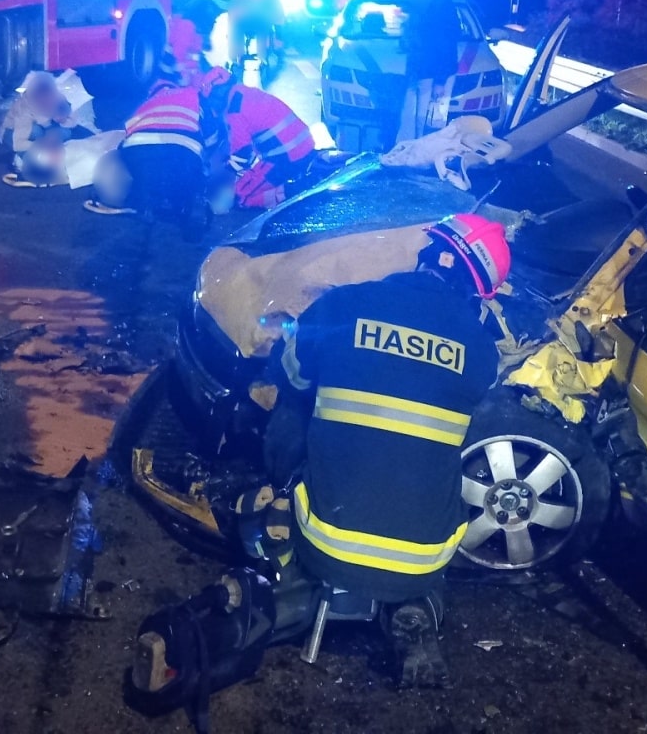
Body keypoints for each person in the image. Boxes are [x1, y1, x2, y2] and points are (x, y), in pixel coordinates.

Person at [129, 215, 511, 716]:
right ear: (479, 292)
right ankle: (417, 604)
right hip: (426, 559)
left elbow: (290, 373)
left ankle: (285, 513)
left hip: (326, 541)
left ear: (428, 253)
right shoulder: (482, 351)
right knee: (430, 452)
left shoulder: (345, 304)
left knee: (295, 407)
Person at [87, 69, 230, 224]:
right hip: (184, 155)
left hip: (138, 153)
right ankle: (189, 201)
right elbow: (211, 138)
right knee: (187, 179)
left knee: (143, 175)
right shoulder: (195, 96)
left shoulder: (148, 102)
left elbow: (127, 135)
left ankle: (142, 201)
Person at [216, 81, 316, 209]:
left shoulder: (234, 111)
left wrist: (226, 172)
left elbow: (243, 153)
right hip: (304, 145)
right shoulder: (246, 92)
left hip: (284, 157)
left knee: (241, 195)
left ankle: (293, 193)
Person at [396, 0, 461, 144]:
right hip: (420, 72)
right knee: (411, 120)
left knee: (428, 123)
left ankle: (424, 155)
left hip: (433, 75)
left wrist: (440, 81)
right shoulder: (423, 6)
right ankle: (409, 152)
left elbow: (445, 47)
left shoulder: (440, 8)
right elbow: (416, 40)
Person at [0, 71, 96, 187]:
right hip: (13, 134)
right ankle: (21, 163)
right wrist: (42, 145)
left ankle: (50, 161)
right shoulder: (24, 109)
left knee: (64, 133)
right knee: (37, 133)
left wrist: (62, 121)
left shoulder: (58, 99)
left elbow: (72, 123)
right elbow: (18, 144)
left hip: (43, 129)